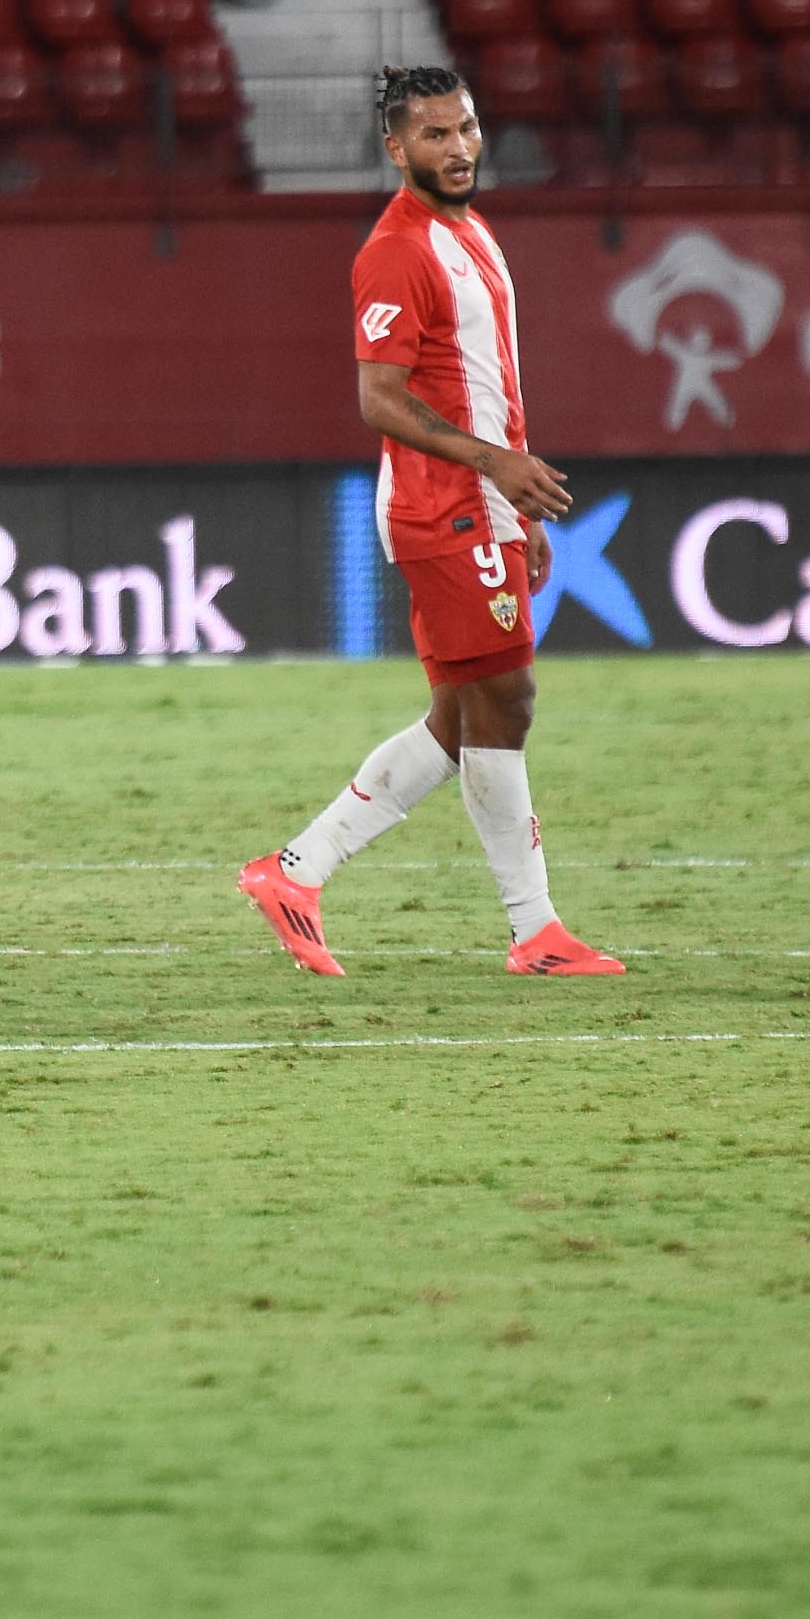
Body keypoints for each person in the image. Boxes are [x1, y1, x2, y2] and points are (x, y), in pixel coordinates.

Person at [239, 66, 620, 982]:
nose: (456, 149)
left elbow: (488, 386)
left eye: (465, 129)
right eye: (434, 136)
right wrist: (490, 470)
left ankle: (293, 872)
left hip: (480, 504)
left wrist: (512, 501)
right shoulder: (395, 250)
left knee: (463, 713)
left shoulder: (471, 232)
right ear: (395, 148)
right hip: (436, 507)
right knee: (505, 702)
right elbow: (379, 398)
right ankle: (533, 931)